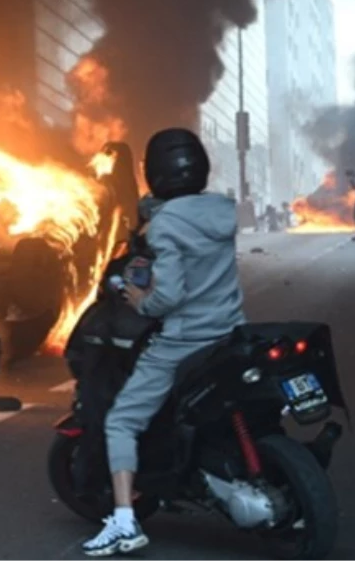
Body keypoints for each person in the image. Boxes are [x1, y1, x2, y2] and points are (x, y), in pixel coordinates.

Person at [81, 128, 246, 557]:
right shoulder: (223, 211)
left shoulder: (167, 224)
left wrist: (141, 300)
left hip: (183, 341)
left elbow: (168, 296)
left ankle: (123, 521)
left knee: (121, 422)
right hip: (229, 332)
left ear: (154, 173)